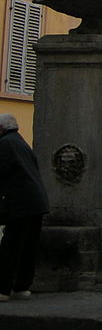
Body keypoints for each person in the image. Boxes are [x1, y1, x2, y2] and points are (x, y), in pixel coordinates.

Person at [0, 114, 49, 300]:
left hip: (20, 203)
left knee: (10, 246)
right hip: (36, 202)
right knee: (28, 247)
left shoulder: (5, 144)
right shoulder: (21, 143)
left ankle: (2, 289)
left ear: (1, 129)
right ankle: (21, 287)